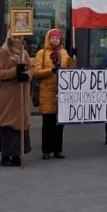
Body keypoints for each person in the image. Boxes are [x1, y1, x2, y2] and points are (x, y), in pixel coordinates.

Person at [33, 28, 75, 160]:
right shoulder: (42, 53)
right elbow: (37, 72)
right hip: (47, 91)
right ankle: (46, 150)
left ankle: (58, 149)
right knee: (48, 122)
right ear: (48, 39)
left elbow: (71, 70)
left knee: (59, 123)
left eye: (57, 38)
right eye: (53, 38)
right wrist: (51, 70)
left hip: (61, 91)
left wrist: (73, 59)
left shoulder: (64, 52)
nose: (55, 40)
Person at [0, 34, 33, 167]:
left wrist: (26, 75)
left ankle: (17, 154)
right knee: (7, 124)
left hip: (21, 95)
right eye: (14, 38)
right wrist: (15, 71)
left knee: (19, 124)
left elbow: (31, 68)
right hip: (8, 95)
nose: (16, 40)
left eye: (19, 38)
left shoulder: (24, 52)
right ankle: (5, 155)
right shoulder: (2, 52)